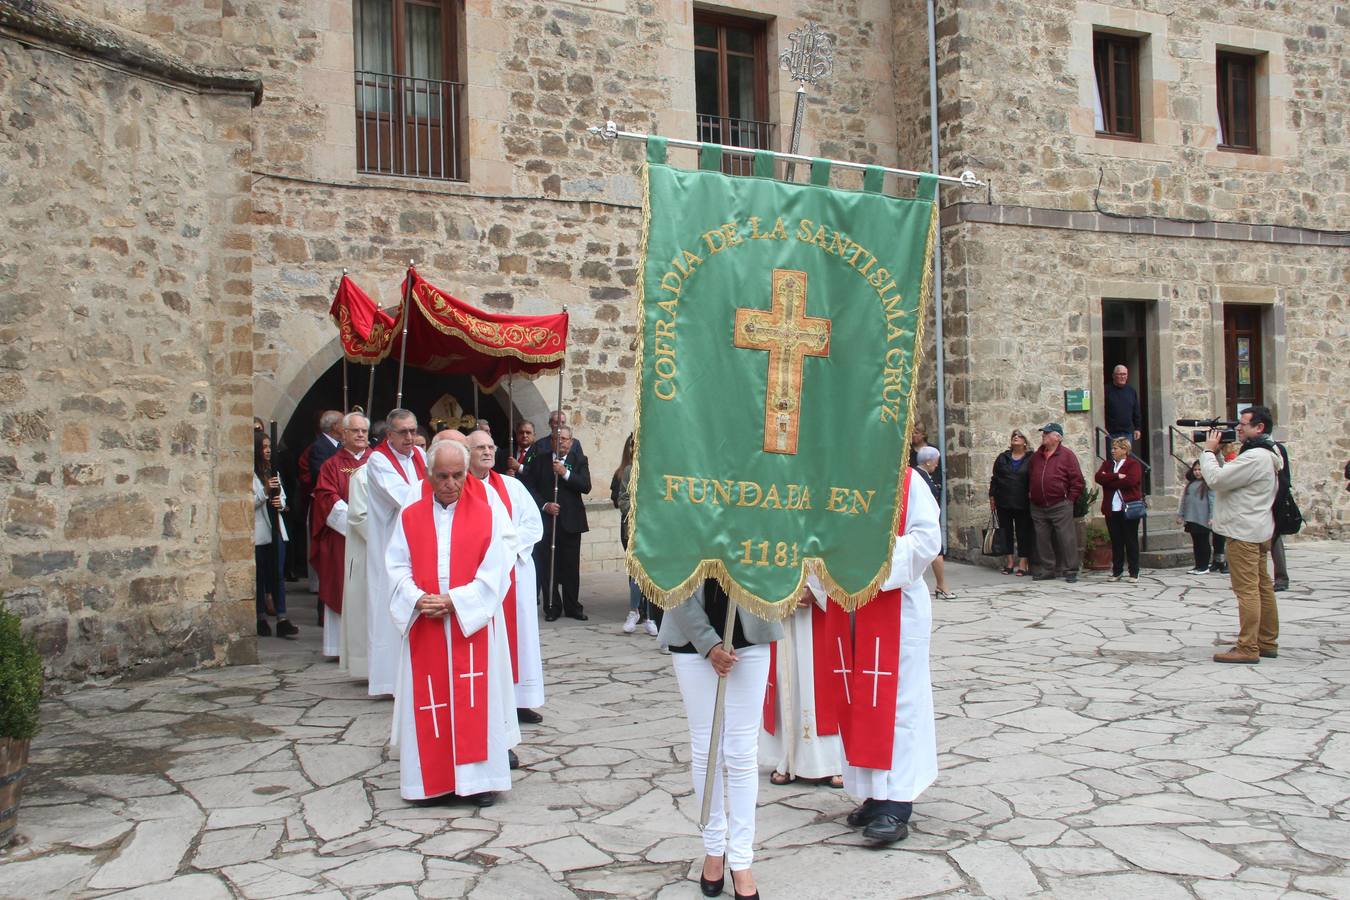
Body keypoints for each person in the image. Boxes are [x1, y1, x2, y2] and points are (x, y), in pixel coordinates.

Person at [385, 440, 520, 807]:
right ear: (429, 476)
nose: (450, 483)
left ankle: (479, 782)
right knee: (430, 703)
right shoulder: (410, 515)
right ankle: (431, 784)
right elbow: (396, 566)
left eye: (457, 475)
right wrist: (417, 598)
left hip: (468, 625)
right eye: (442, 476)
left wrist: (456, 601)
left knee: (475, 699)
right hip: (426, 623)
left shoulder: (487, 514)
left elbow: (495, 572)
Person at [839, 464, 943, 845]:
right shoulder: (839, 476)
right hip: (848, 604)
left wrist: (868, 558)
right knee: (861, 703)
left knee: (898, 703)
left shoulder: (908, 480)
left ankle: (897, 800)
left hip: (896, 606)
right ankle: (874, 792)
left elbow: (927, 540)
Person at [660, 580, 781, 900]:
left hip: (750, 631)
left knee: (742, 752)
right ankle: (714, 848)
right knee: (706, 750)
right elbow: (668, 572)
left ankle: (741, 858)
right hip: (691, 635)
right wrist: (709, 644)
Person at [467, 428, 547, 725]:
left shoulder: (512, 486)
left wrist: (505, 551)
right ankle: (492, 700)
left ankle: (521, 700)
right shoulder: (460, 489)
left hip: (515, 571)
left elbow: (532, 524)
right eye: (479, 448)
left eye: (490, 446)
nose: (487, 452)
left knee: (521, 636)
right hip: (478, 577)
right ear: (467, 454)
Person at [1198, 406, 1282, 664]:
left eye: (1244, 424)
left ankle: (1248, 646)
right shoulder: (1271, 452)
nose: (1238, 428)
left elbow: (1216, 479)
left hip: (1243, 530)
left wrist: (1209, 451)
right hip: (1257, 527)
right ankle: (1266, 640)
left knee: (1247, 591)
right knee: (1262, 587)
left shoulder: (1255, 456)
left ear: (1260, 428)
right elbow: (1234, 479)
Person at [364, 409, 428, 696]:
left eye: (413, 431)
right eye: (403, 432)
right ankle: (389, 681)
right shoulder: (378, 460)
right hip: (391, 541)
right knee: (389, 608)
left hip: (419, 539)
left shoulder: (420, 456)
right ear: (388, 434)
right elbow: (404, 497)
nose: (410, 437)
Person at [761, 574, 844, 790]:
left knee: (823, 679)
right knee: (788, 676)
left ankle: (835, 761)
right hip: (785, 604)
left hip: (825, 606)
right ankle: (789, 757)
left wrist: (818, 591)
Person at [309, 413, 370, 658]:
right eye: (355, 431)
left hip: (373, 538)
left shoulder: (378, 461)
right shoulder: (331, 465)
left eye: (364, 431)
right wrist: (358, 522)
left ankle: (367, 647)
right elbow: (326, 497)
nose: (360, 435)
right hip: (342, 538)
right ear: (343, 434)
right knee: (340, 586)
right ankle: (337, 647)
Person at [522, 424, 590, 622]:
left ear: (572, 442)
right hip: (546, 521)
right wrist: (544, 505)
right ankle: (552, 606)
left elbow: (586, 485)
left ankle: (572, 606)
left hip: (571, 521)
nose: (561, 442)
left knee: (570, 566)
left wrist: (565, 473)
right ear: (550, 441)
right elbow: (529, 487)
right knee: (547, 566)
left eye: (565, 439)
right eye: (557, 439)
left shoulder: (579, 460)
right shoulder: (540, 461)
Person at [611, 433, 659, 636]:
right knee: (637, 573)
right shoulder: (629, 471)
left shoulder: (659, 471)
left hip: (656, 529)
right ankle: (634, 611)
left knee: (652, 575)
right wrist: (638, 511)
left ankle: (650, 616)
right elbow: (622, 498)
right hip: (636, 527)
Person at [253, 431, 298, 638]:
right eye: (263, 447)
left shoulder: (274, 471)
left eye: (269, 446)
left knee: (278, 575)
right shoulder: (251, 474)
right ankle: (261, 616)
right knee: (260, 575)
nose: (268, 450)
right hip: (261, 529)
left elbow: (283, 497)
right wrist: (264, 491)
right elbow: (249, 502)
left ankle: (282, 616)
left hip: (276, 528)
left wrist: (281, 503)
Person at [1028, 423, 1085, 583]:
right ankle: (1048, 569)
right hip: (1038, 505)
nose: (1043, 436)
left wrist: (1070, 500)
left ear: (1057, 437)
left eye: (1047, 433)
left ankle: (1070, 570)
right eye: (1043, 433)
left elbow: (1077, 481)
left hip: (1060, 504)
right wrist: (1031, 494)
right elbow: (1030, 476)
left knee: (1067, 538)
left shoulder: (1067, 456)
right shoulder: (1036, 457)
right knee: (1042, 539)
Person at [299, 410, 344, 588]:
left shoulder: (338, 445)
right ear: (334, 427)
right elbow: (320, 474)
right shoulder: (320, 447)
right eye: (343, 423)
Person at [1095, 437, 1144, 582]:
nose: (1112, 451)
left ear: (1125, 450)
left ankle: (1134, 572)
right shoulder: (1108, 464)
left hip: (1128, 508)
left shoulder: (1133, 464)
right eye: (1112, 448)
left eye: (1116, 448)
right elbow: (1099, 478)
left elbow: (1131, 481)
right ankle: (1117, 571)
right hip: (1112, 508)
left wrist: (1109, 480)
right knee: (1116, 541)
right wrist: (1116, 476)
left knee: (1130, 540)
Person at [340, 460, 371, 679]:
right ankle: (365, 666)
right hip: (372, 552)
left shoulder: (418, 466)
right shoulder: (364, 474)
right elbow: (359, 516)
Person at [988, 429, 1034, 576]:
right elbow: (995, 478)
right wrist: (992, 497)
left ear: (1025, 441)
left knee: (1023, 532)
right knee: (1005, 531)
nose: (1016, 437)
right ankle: (1009, 562)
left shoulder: (1031, 459)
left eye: (1019, 436)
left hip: (1023, 502)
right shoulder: (1003, 458)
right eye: (1014, 435)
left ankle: (1023, 563)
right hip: (1004, 500)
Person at [914, 447, 954, 599]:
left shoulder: (923, 475)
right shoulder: (919, 476)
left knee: (935, 551)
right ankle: (941, 585)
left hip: (927, 518)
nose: (937, 465)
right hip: (924, 520)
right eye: (936, 462)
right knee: (937, 550)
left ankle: (941, 585)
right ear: (929, 462)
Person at [1177, 460, 1216, 575]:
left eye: (1200, 470)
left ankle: (1204, 566)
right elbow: (1184, 500)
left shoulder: (1208, 485)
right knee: (1196, 542)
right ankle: (1198, 565)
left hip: (1202, 518)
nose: (1197, 472)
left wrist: (1212, 516)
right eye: (1195, 470)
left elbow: (1212, 501)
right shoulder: (1190, 484)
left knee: (1203, 542)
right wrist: (1181, 515)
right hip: (1191, 517)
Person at [1269, 437, 1293, 592]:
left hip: (1275, 498)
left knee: (1275, 538)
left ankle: (1281, 577)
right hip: (1257, 500)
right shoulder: (1249, 448)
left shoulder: (1276, 448)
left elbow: (1284, 476)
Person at [1104, 365, 1142, 443]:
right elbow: (1100, 410)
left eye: (1125, 374)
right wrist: (1103, 427)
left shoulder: (1131, 391)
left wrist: (1137, 428)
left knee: (1126, 455)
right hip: (1110, 433)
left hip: (1127, 433)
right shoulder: (1106, 390)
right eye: (1120, 374)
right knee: (1113, 454)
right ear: (1113, 376)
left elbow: (1136, 411)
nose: (1123, 377)